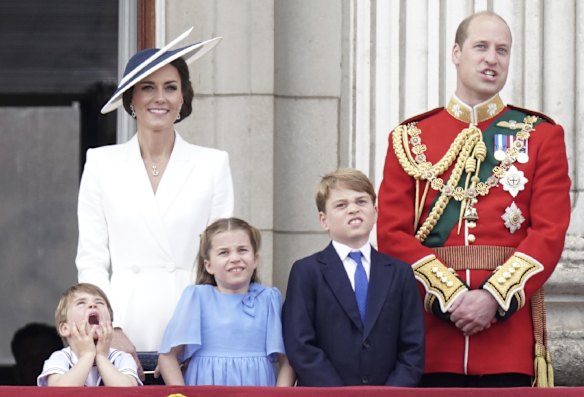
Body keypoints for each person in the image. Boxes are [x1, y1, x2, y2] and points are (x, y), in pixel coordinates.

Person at [377, 11, 571, 388]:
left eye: (502, 50)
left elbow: (549, 233)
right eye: (481, 47)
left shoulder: (541, 136)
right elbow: (392, 234)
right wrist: (450, 297)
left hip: (507, 339)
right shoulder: (410, 137)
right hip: (430, 339)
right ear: (456, 52)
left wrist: (493, 299)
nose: (492, 58)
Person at [75, 26, 234, 375]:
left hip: (193, 333)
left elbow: (221, 259)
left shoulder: (212, 164)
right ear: (132, 99)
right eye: (148, 87)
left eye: (170, 88)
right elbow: (91, 259)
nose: (159, 98)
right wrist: (107, 328)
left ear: (183, 99)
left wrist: (191, 335)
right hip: (122, 326)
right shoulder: (101, 164)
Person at [282, 168, 424, 387]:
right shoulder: (306, 271)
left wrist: (390, 394)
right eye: (341, 205)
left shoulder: (400, 272)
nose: (353, 209)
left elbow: (412, 346)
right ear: (324, 220)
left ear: (375, 212)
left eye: (361, 201)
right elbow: (301, 345)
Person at [158, 217, 295, 386]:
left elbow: (287, 361)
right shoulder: (197, 298)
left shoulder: (269, 299)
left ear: (255, 260)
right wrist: (181, 393)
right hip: (205, 388)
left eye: (242, 250)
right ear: (208, 266)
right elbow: (167, 356)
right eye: (224, 252)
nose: (235, 258)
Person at [37, 283, 141, 386]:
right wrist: (87, 355)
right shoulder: (59, 358)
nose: (93, 305)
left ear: (111, 324)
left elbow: (128, 391)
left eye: (100, 302)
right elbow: (59, 391)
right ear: (65, 328)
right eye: (81, 303)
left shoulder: (121, 358)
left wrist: (102, 357)